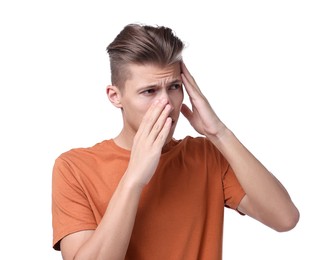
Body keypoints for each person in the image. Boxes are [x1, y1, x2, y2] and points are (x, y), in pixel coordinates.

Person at [52, 23, 299, 260]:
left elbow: (285, 219)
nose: (167, 103)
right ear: (115, 97)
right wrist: (134, 179)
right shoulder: (74, 167)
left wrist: (219, 134)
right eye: (149, 91)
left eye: (174, 86)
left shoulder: (205, 155)